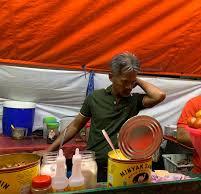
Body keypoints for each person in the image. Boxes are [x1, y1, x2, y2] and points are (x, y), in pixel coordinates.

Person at [41, 51, 166, 181]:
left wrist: (136, 79)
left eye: (132, 82)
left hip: (123, 166)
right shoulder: (95, 98)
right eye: (124, 82)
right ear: (111, 77)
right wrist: (49, 150)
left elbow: (159, 95)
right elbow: (75, 126)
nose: (129, 87)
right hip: (96, 165)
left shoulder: (134, 101)